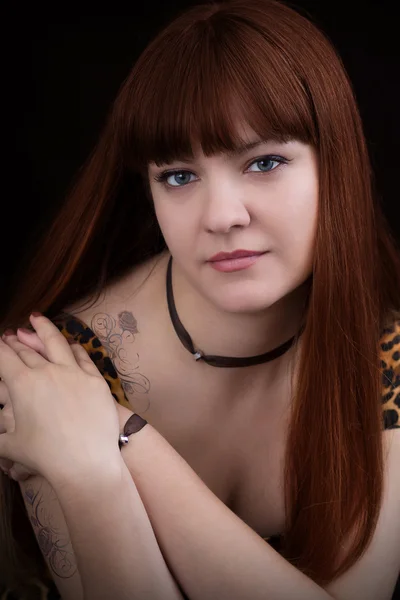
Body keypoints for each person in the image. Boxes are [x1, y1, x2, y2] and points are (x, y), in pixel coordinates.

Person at [0, 0, 399, 598]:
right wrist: (90, 480)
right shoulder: (59, 371)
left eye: (265, 162)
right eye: (179, 176)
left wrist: (120, 438)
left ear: (336, 166)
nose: (221, 216)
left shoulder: (383, 354)